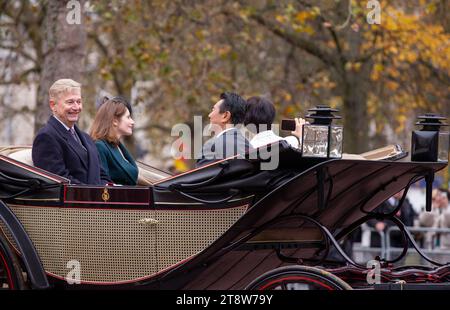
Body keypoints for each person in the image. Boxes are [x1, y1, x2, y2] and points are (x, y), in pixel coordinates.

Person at [32, 79, 110, 185]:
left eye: (79, 101)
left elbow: (102, 175)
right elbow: (59, 181)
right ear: (53, 105)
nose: (76, 107)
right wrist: (92, 193)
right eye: (70, 102)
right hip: (75, 200)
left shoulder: (86, 138)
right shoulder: (46, 137)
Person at [90, 97, 138, 185]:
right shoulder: (100, 146)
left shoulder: (117, 145)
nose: (132, 122)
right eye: (128, 117)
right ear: (115, 121)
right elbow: (103, 184)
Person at [196, 92, 251, 167]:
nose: (209, 115)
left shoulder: (211, 146)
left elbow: (200, 177)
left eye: (213, 110)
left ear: (225, 116)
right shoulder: (250, 148)